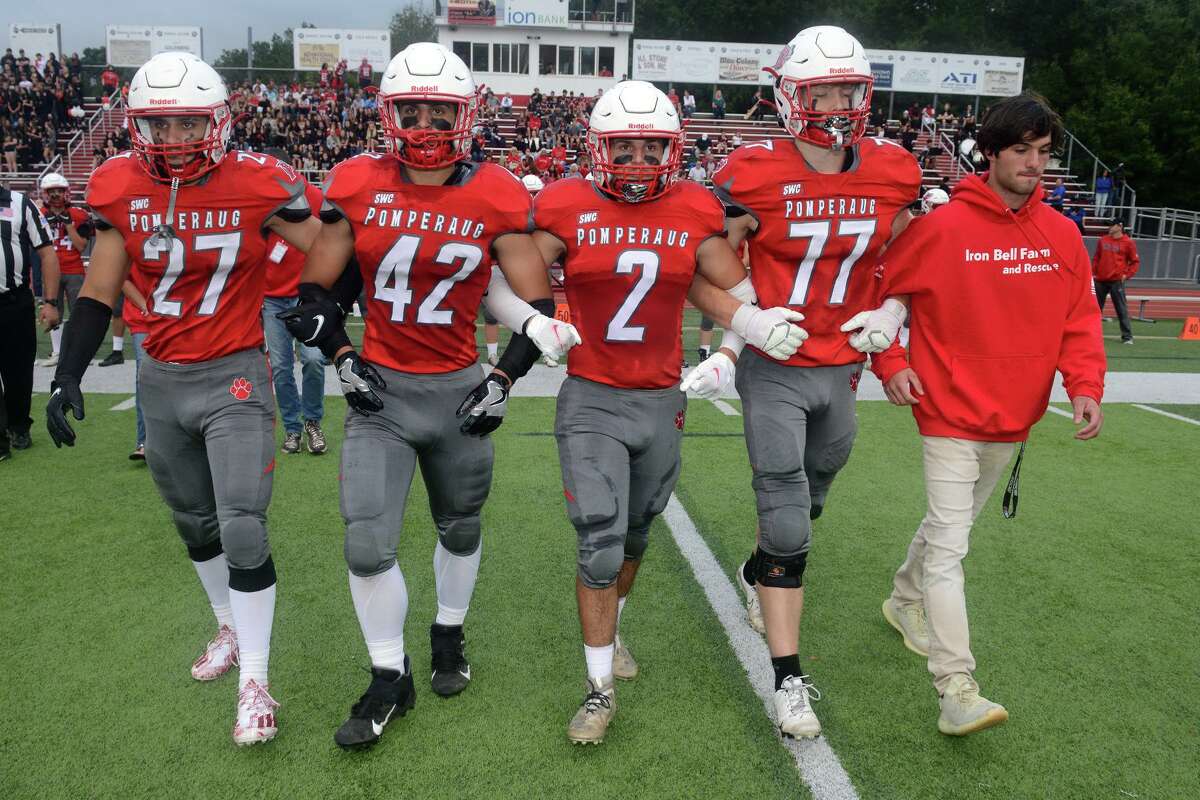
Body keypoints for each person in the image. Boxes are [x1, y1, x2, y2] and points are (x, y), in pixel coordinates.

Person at [280, 42, 581, 751]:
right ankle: (390, 676)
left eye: (438, 108)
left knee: (462, 527)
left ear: (465, 112)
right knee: (365, 543)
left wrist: (503, 380)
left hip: (455, 388)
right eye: (410, 108)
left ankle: (448, 630)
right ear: (387, 113)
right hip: (381, 392)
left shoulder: (498, 191)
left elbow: (538, 305)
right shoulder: (356, 182)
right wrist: (340, 351)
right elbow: (317, 289)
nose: (423, 121)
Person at [45, 52, 322, 746]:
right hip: (160, 378)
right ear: (138, 127)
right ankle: (227, 625)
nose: (174, 140)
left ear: (218, 121)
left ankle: (255, 679)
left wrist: (320, 303)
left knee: (243, 525)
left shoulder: (258, 183)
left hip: (234, 374)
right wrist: (66, 373)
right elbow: (101, 290)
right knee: (194, 522)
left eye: (188, 124)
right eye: (159, 126)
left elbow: (328, 242)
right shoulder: (116, 185)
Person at [532, 80, 805, 745]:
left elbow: (739, 296)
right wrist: (533, 325)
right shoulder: (564, 203)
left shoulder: (691, 207)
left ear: (671, 149)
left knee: (634, 536)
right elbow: (511, 273)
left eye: (649, 147)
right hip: (592, 395)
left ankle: (612, 625)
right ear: (599, 148)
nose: (635, 162)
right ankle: (597, 689)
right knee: (599, 538)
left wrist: (735, 355)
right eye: (622, 148)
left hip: (661, 398)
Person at [854, 91, 1106, 737]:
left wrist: (1084, 384)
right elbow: (885, 293)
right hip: (944, 412)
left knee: (950, 527)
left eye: (1044, 152)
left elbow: (1079, 318)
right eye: (1021, 150)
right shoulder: (942, 228)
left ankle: (901, 600)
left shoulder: (1063, 235)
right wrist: (892, 364)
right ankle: (955, 686)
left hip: (1013, 418)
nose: (1034, 163)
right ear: (989, 153)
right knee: (951, 548)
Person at [697, 25, 922, 739]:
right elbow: (697, 263)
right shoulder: (753, 169)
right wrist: (749, 324)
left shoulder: (892, 169)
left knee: (821, 479)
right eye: (820, 88)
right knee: (788, 509)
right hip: (777, 363)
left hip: (842, 364)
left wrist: (891, 313)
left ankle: (759, 566)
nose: (834, 102)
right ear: (790, 94)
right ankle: (789, 679)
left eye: (847, 89)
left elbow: (910, 258)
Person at [259, 151, 328, 454]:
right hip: (272, 300)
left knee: (313, 360)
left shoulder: (309, 193)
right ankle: (292, 428)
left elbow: (330, 235)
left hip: (306, 296)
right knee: (282, 367)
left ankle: (313, 421)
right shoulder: (256, 197)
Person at [0, 182, 60, 459]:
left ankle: (18, 424)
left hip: (13, 302)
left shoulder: (20, 204)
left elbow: (47, 252)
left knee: (18, 372)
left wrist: (50, 301)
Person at [37, 172, 93, 367]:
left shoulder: (79, 214)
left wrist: (68, 224)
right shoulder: (39, 215)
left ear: (66, 192)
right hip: (50, 271)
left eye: (59, 191)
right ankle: (58, 352)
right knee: (54, 310)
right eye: (51, 192)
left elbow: (81, 246)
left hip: (74, 269)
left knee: (78, 311)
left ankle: (79, 351)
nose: (55, 196)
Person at [1092, 221, 1139, 344]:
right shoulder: (1103, 240)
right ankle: (1092, 335)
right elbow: (1097, 258)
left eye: (1112, 225)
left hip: (1116, 281)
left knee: (1121, 309)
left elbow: (1135, 261)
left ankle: (1127, 337)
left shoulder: (1128, 242)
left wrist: (1126, 275)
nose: (1109, 227)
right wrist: (1093, 273)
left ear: (1119, 226)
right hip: (1100, 280)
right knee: (1095, 310)